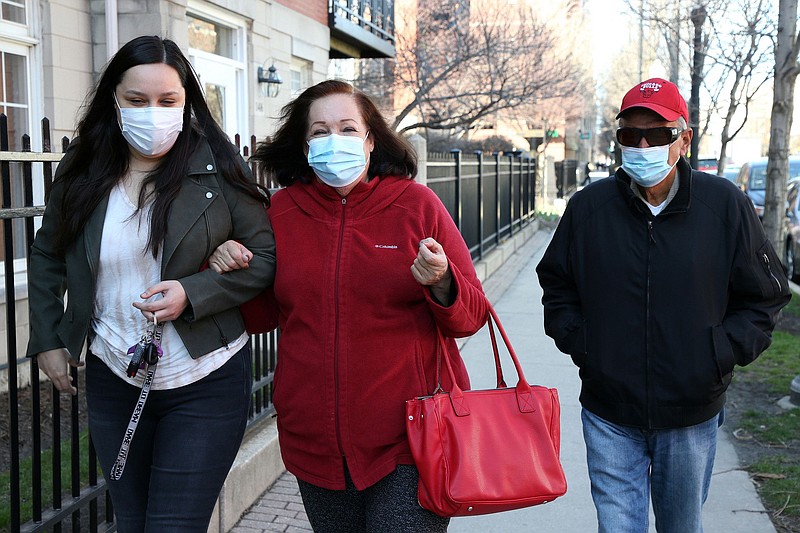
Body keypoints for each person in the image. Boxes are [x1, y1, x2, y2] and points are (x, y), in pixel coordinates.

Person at [208, 79, 488, 532]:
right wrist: (228, 263)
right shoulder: (281, 213)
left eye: (346, 128)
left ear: (370, 139)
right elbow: (261, 317)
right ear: (303, 147)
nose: (333, 140)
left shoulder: (416, 205)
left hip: (412, 437)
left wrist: (441, 282)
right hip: (315, 442)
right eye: (319, 132)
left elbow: (472, 315)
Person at [26, 35, 276, 532]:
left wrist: (194, 292)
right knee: (134, 524)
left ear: (187, 103)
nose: (153, 113)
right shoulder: (81, 170)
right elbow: (48, 251)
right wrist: (49, 337)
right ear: (113, 101)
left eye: (168, 100)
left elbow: (265, 257)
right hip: (114, 373)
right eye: (136, 100)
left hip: (205, 376)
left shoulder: (219, 168)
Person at [536, 77, 791, 533]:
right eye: (630, 134)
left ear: (685, 139)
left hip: (690, 413)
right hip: (609, 410)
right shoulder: (589, 208)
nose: (642, 144)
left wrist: (721, 354)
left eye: (658, 134)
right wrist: (586, 346)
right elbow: (557, 284)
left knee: (681, 526)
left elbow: (766, 293)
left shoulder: (724, 206)